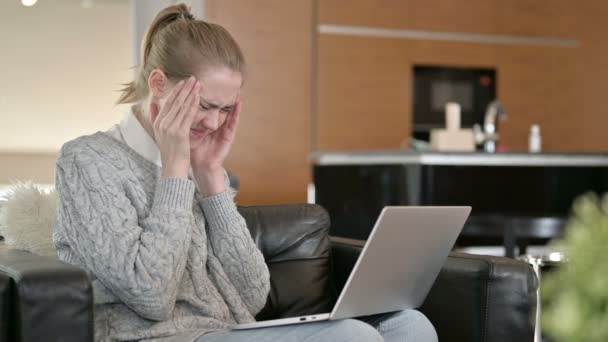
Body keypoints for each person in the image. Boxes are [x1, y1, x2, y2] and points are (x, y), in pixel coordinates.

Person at [53, 3, 438, 342]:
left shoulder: (197, 164)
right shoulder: (87, 161)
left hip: (227, 330)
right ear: (158, 84)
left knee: (409, 325)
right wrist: (174, 171)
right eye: (205, 105)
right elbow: (151, 296)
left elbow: (253, 295)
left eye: (225, 109)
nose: (214, 123)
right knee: (350, 337)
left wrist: (209, 177)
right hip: (154, 337)